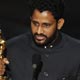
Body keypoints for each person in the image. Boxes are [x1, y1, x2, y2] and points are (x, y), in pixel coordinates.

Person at [1, 0, 80, 80]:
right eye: (35, 23)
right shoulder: (10, 49)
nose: (39, 31)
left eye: (46, 25)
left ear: (59, 24)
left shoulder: (77, 52)